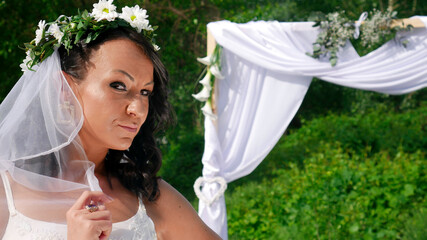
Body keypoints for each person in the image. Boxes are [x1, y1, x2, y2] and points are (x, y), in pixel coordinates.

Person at [0, 1, 221, 239]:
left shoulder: (151, 197)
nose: (138, 108)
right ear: (64, 90)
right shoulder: (6, 193)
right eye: (118, 85)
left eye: (145, 92)